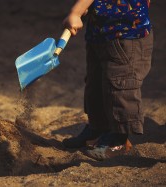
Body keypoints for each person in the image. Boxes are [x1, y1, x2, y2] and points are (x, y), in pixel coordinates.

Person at [62, 0, 153, 160]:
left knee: (120, 88)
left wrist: (76, 11)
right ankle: (98, 129)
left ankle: (118, 140)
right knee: (95, 84)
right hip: (100, 32)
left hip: (126, 34)